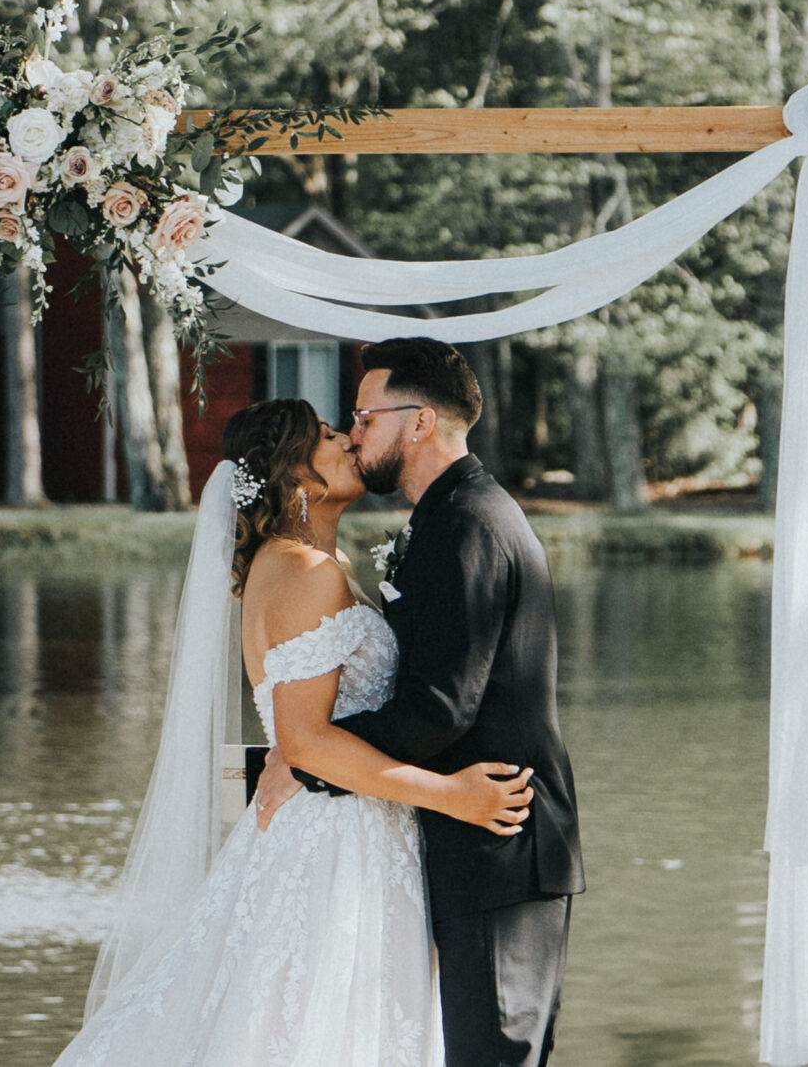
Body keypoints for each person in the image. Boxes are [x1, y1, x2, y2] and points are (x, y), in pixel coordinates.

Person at [51, 398, 535, 1067]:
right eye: (333, 437)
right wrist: (453, 795)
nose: (352, 442)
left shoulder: (296, 566)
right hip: (335, 843)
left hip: (339, 827)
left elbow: (300, 736)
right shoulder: (304, 574)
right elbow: (306, 742)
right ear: (297, 478)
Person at [257, 338, 585, 1067]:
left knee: (494, 1055)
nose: (356, 433)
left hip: (499, 832)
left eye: (366, 417)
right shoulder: (443, 519)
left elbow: (438, 709)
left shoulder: (470, 523)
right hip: (464, 838)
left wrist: (306, 757)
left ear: (419, 423)